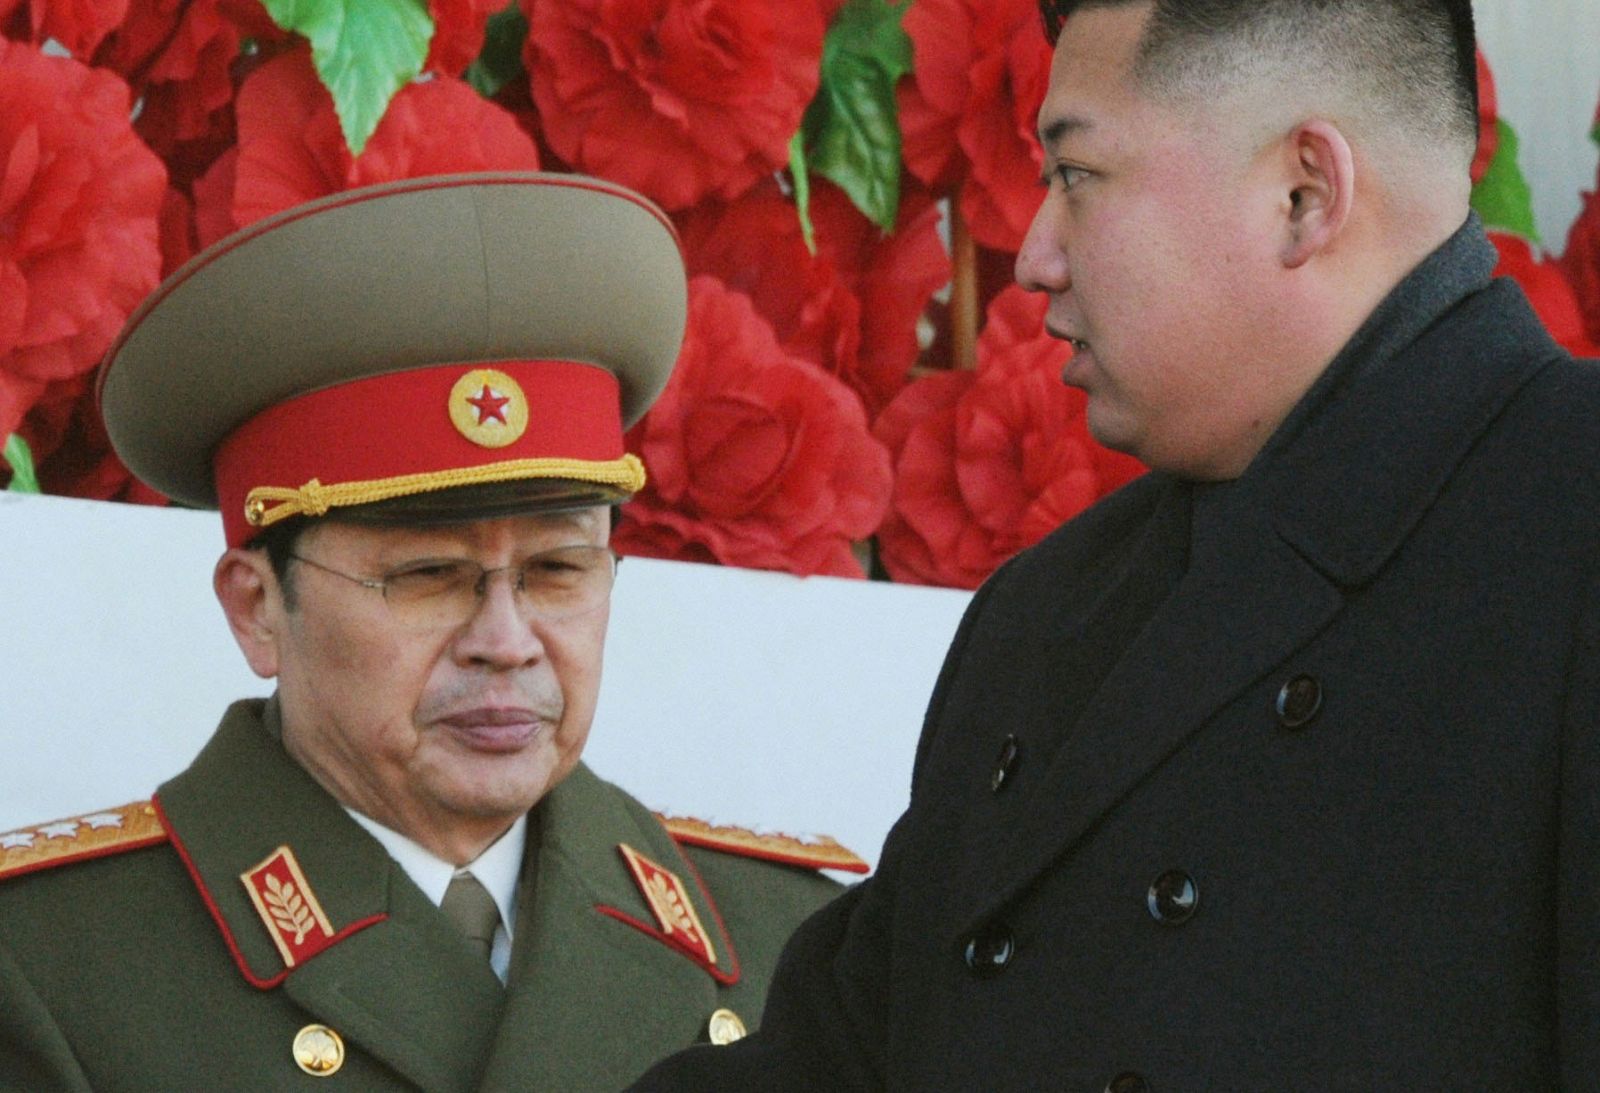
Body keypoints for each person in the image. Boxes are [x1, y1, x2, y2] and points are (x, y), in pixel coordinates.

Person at [633, 1, 1600, 1089]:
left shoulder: (1569, 521)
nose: (1035, 253)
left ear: (1302, 195)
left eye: (1078, 175)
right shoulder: (1047, 607)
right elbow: (847, 1053)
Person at [0, 173, 862, 1092]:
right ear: (257, 608)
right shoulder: (56, 966)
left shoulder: (782, 936)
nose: (507, 640)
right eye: (427, 577)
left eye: (558, 570)